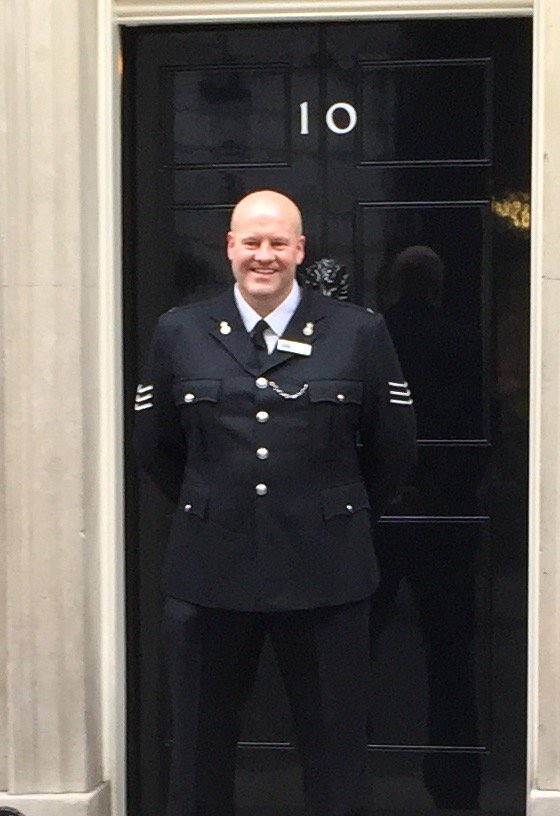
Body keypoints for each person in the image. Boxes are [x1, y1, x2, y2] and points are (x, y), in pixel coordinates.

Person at [133, 190, 417, 816]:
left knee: (335, 752)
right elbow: (156, 449)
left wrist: (323, 509)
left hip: (326, 572)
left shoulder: (359, 331)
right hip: (210, 572)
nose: (265, 256)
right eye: (252, 242)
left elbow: (392, 453)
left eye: (279, 243)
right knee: (200, 752)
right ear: (230, 247)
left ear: (300, 250)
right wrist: (218, 503)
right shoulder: (179, 330)